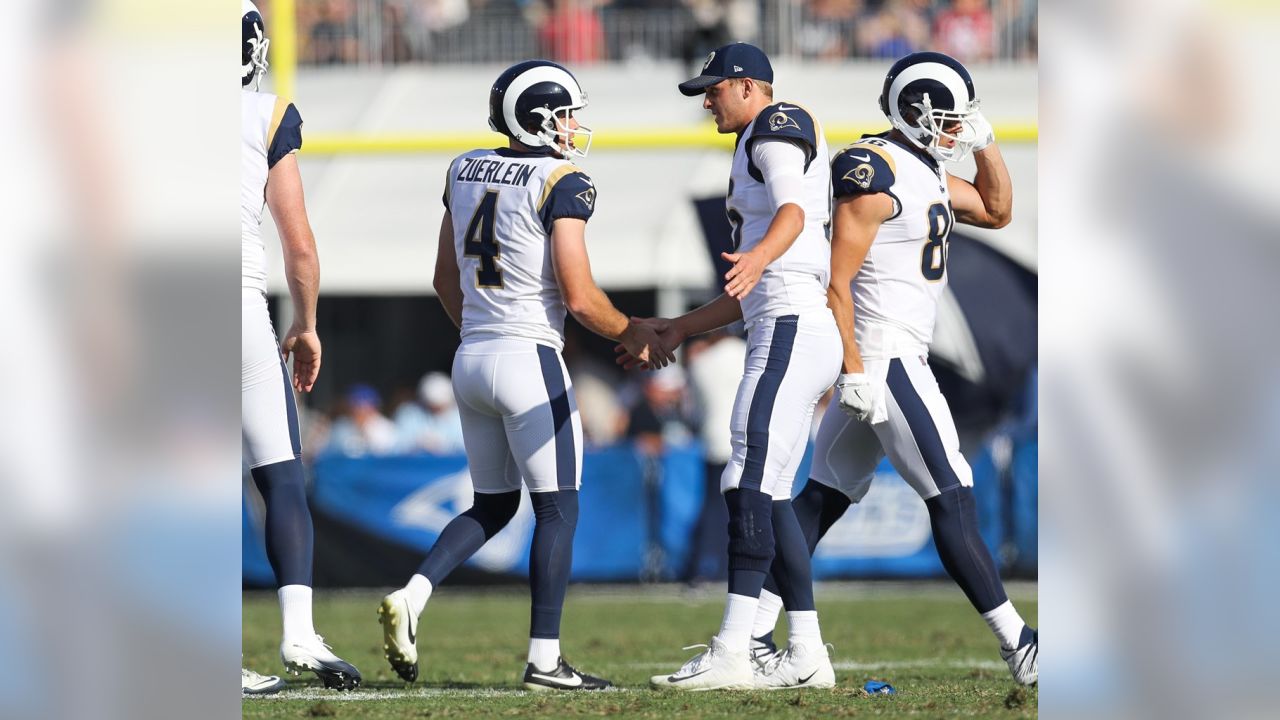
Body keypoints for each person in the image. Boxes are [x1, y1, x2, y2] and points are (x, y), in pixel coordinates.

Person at [377, 59, 670, 692]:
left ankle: (414, 593)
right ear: (536, 116)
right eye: (565, 113)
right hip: (529, 357)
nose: (572, 126)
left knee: (493, 502)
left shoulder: (462, 169)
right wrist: (635, 333)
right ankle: (544, 660)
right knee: (558, 509)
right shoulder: (560, 179)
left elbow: (442, 280)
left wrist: (482, 332)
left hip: (471, 354)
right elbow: (582, 296)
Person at [749, 51, 1038, 686]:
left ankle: (748, 635)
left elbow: (996, 210)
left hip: (888, 354)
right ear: (915, 112)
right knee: (952, 493)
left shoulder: (923, 168)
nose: (960, 129)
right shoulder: (872, 166)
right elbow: (837, 280)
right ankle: (1020, 643)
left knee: (821, 499)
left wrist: (987, 142)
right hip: (883, 356)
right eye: (952, 118)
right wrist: (853, 368)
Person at [626, 43, 842, 691]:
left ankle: (733, 651)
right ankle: (805, 651)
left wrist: (759, 258)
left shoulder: (772, 125)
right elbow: (757, 275)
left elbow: (792, 212)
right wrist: (681, 327)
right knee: (766, 490)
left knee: (746, 480)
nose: (707, 101)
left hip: (792, 321)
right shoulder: (755, 137)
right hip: (788, 320)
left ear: (748, 87)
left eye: (714, 89)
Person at [240, 1, 361, 693]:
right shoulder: (263, 113)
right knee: (281, 475)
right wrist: (306, 322)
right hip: (236, 308)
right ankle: (298, 636)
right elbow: (301, 247)